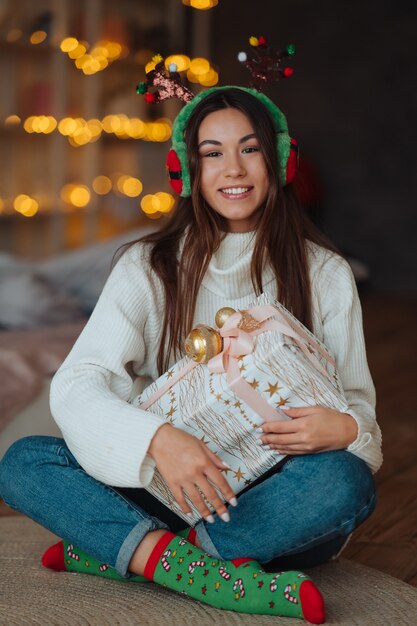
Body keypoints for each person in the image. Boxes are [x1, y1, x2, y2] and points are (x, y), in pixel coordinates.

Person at [0, 86, 382, 624]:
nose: (234, 169)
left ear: (279, 161)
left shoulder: (326, 273)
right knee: (25, 462)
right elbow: (78, 382)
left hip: (265, 497)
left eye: (250, 149)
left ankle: (134, 551)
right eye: (212, 153)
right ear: (187, 170)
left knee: (345, 483)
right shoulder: (146, 265)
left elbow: (360, 409)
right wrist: (156, 439)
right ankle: (203, 569)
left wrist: (344, 431)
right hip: (163, 482)